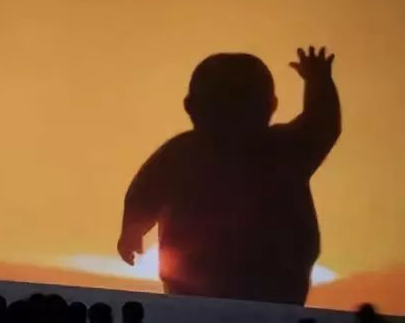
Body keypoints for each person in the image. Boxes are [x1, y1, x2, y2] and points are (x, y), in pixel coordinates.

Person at [117, 46, 341, 304]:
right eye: (224, 105)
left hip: (268, 281)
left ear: (191, 106)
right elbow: (321, 124)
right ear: (271, 105)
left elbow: (145, 192)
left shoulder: (282, 148)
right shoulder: (284, 148)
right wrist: (319, 82)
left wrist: (133, 229)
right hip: (219, 282)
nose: (233, 117)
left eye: (242, 104)